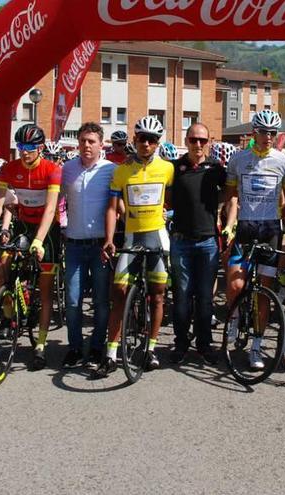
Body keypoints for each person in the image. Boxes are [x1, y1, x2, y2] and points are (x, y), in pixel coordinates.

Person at [224, 110, 285, 370]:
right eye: (263, 131)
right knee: (236, 284)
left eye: (273, 132)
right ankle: (235, 317)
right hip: (246, 229)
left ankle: (257, 347)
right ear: (254, 132)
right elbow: (230, 195)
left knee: (264, 292)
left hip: (271, 230)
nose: (268, 136)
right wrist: (226, 222)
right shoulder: (238, 160)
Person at [93, 116, 174, 378]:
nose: (147, 144)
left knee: (158, 295)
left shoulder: (167, 169)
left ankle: (151, 349)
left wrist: (169, 214)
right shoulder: (122, 170)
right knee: (118, 292)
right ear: (135, 139)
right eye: (142, 139)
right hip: (131, 237)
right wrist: (108, 239)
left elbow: (173, 201)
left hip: (157, 237)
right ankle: (111, 354)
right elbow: (112, 206)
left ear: (158, 143)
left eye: (152, 140)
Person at [0, 123, 62, 370]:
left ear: (40, 148)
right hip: (23, 225)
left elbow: (52, 208)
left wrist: (39, 240)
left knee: (44, 291)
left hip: (47, 231)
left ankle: (41, 346)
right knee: (2, 268)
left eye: (30, 147)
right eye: (21, 146)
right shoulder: (9, 169)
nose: (25, 152)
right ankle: (8, 315)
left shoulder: (52, 170)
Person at [168, 123, 225, 365]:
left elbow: (229, 195)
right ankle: (181, 344)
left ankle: (204, 344)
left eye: (202, 140)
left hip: (208, 242)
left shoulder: (216, 169)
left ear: (209, 141)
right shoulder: (174, 168)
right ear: (187, 140)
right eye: (193, 140)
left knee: (204, 298)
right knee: (181, 297)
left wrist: (224, 217)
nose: (198, 144)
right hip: (181, 241)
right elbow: (167, 198)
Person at [61, 122, 116, 369]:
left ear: (101, 144)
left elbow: (120, 206)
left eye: (91, 141)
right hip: (72, 244)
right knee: (72, 300)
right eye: (83, 140)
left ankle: (96, 347)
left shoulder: (111, 170)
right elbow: (55, 200)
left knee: (101, 301)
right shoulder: (67, 169)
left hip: (100, 246)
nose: (86, 145)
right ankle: (74, 347)